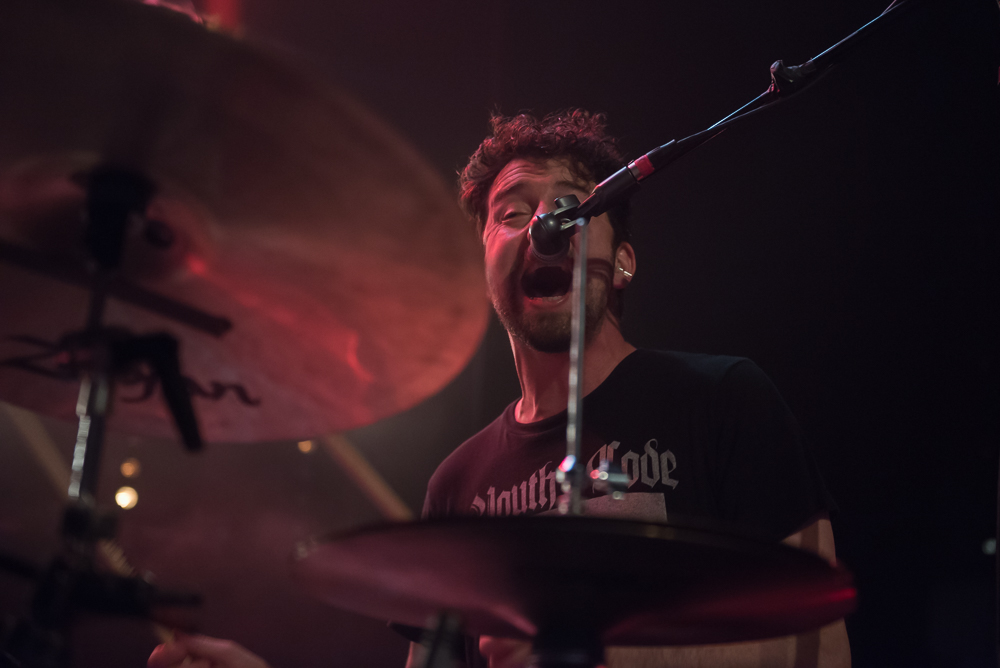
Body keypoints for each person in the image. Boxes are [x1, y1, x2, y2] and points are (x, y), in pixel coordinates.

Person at [149, 110, 851, 668]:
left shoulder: (723, 399)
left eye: (573, 207)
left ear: (626, 261)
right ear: (482, 261)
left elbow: (823, 650)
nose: (545, 228)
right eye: (513, 214)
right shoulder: (457, 483)